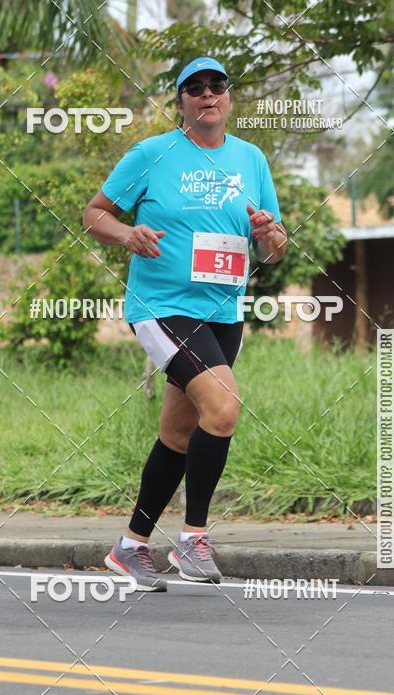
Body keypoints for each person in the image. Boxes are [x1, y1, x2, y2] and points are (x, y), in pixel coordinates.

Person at [84, 55, 288, 591]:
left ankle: (130, 547)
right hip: (163, 306)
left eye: (216, 86)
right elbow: (95, 214)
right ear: (180, 103)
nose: (207, 95)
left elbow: (273, 250)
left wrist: (268, 234)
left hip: (224, 312)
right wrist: (127, 235)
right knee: (222, 409)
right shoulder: (153, 153)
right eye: (193, 88)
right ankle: (193, 540)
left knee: (178, 432)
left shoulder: (252, 160)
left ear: (228, 97)